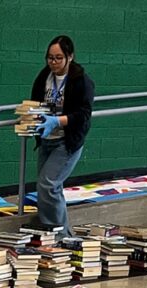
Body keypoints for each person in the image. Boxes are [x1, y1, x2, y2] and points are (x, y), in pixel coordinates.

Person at [30, 35, 95, 237]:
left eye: (59, 58)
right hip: (47, 139)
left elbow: (83, 114)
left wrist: (57, 121)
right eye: (50, 58)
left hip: (66, 141)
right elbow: (34, 103)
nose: (54, 62)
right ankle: (59, 234)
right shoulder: (44, 77)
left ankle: (60, 235)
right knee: (46, 187)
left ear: (70, 57)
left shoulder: (81, 81)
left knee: (48, 184)